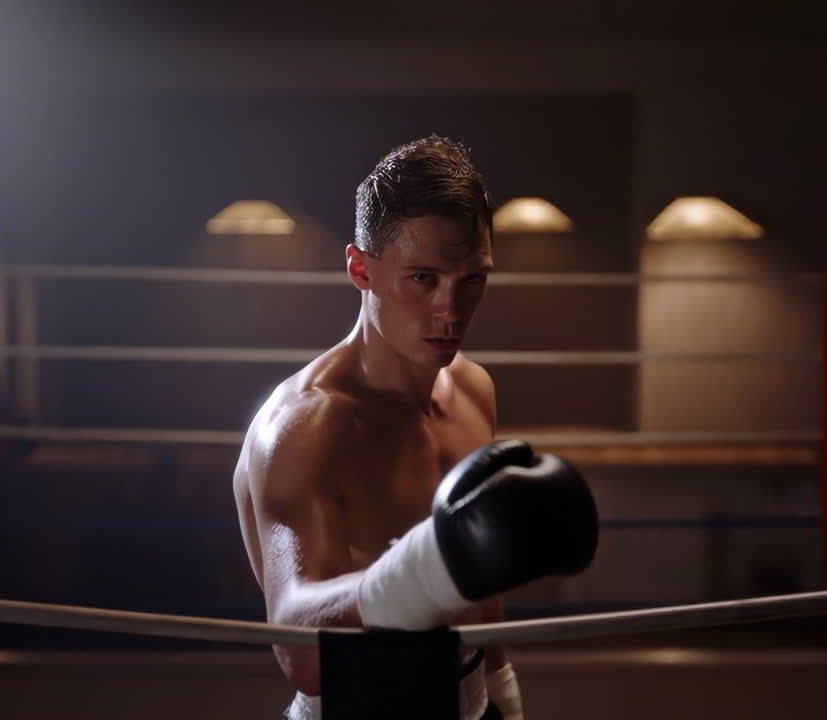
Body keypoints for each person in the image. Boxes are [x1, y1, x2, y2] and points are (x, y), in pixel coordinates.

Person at [233, 136, 597, 719]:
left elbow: (477, 577)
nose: (450, 311)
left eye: (472, 279)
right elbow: (303, 653)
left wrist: (499, 679)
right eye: (423, 278)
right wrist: (428, 565)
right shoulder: (308, 426)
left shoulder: (474, 389)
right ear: (361, 269)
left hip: (465, 694)